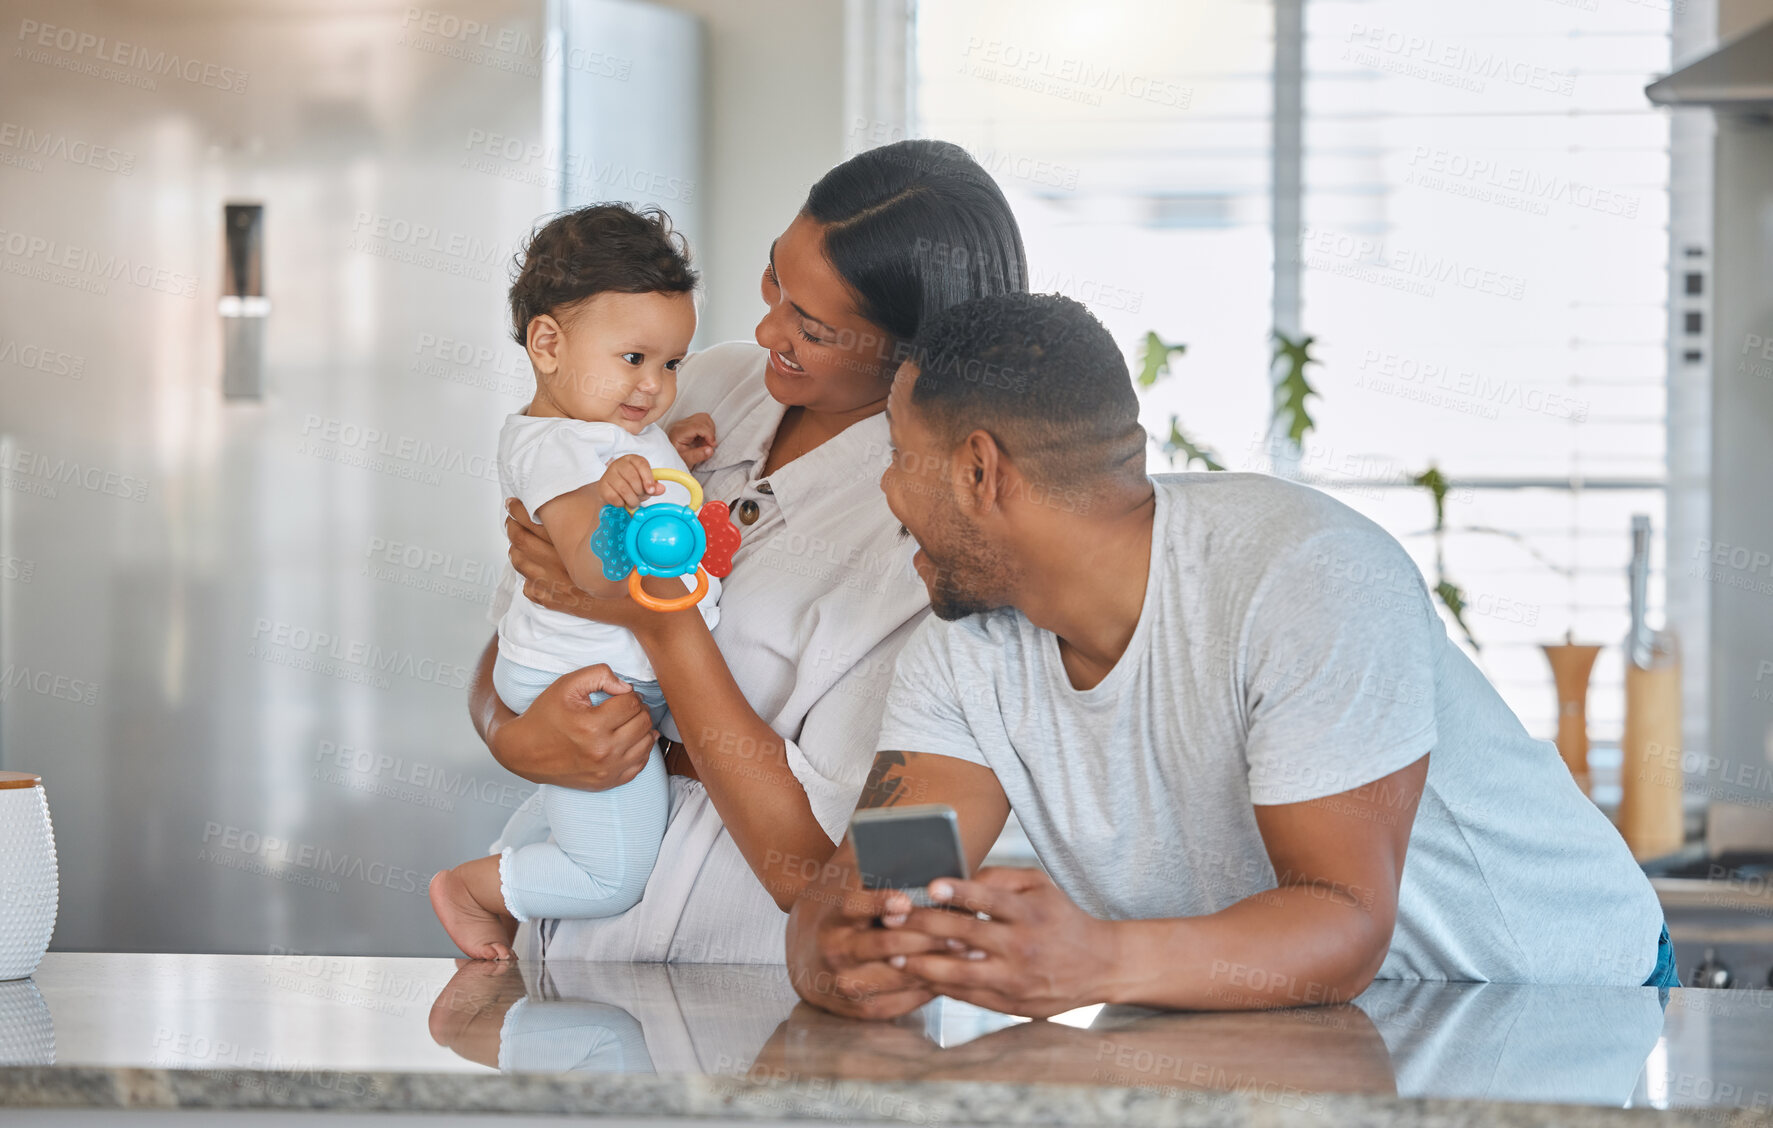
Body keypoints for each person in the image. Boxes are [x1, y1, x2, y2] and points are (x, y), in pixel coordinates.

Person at [787, 292, 1675, 1020]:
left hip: (1561, 1002)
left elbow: (1343, 925)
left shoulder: (1305, 576)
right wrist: (859, 948)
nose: (886, 490)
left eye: (899, 456)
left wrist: (1095, 961)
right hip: (1306, 1026)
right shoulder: (964, 650)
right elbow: (875, 892)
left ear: (981, 472)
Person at [472, 140, 1029, 962]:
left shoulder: (941, 539)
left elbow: (833, 875)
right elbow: (525, 623)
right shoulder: (697, 387)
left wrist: (663, 626)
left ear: (912, 350)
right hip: (555, 944)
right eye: (776, 278)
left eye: (813, 327)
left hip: (741, 978)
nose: (766, 326)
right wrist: (506, 734)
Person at [430, 204, 723, 959]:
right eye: (634, 359)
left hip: (601, 671)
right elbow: (591, 574)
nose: (654, 387)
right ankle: (475, 889)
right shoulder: (557, 448)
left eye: (671, 364)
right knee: (612, 876)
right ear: (548, 343)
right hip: (582, 682)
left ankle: (513, 860)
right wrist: (620, 496)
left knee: (582, 816)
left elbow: (648, 486)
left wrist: (668, 464)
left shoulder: (606, 430)